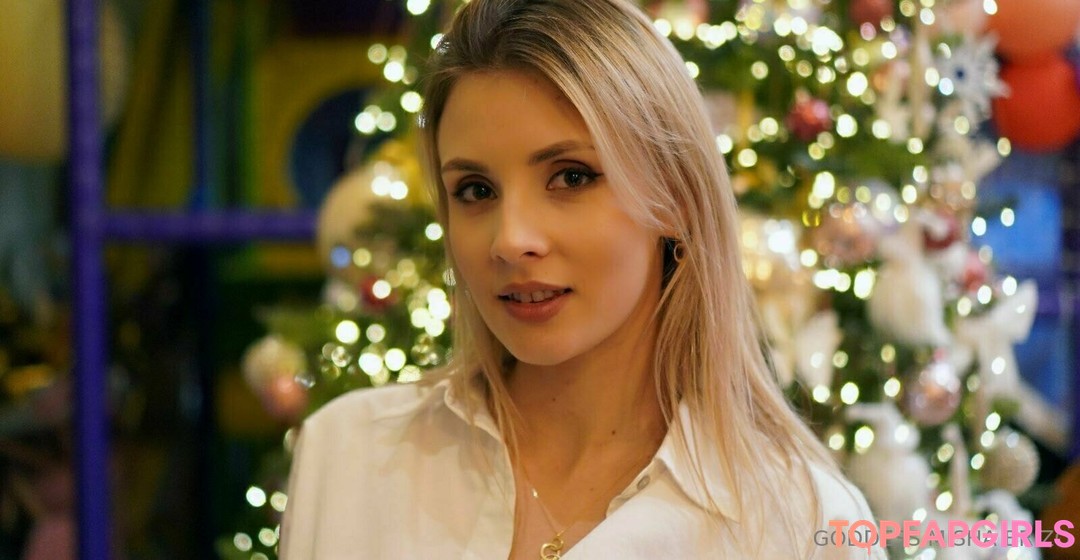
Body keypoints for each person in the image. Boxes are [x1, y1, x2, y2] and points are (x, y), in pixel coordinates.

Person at [281, 0, 884, 558]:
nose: (511, 239)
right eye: (476, 190)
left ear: (675, 196)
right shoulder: (347, 455)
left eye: (571, 177)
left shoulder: (799, 525)